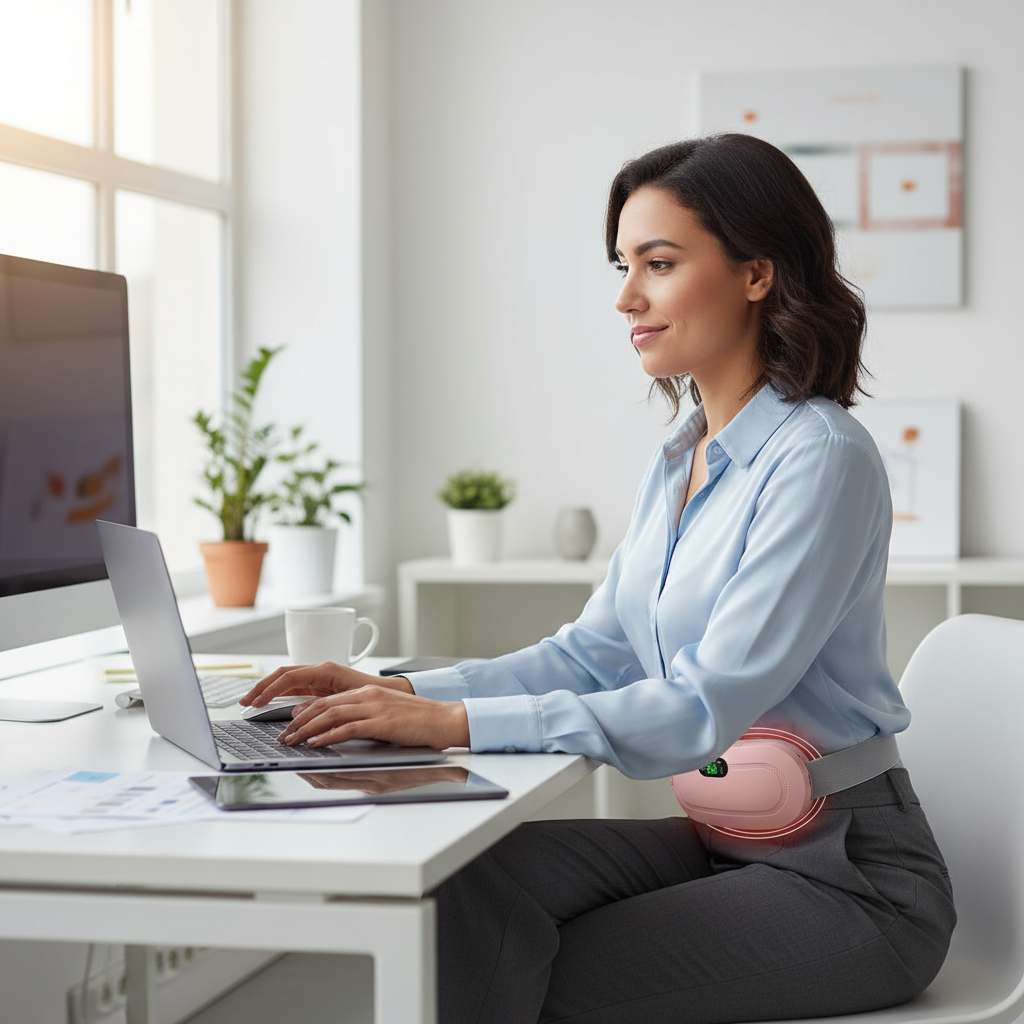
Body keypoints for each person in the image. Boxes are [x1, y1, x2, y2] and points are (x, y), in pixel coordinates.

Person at [241, 133, 956, 1024]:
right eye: (623, 266)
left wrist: (454, 722)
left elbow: (703, 704)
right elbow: (594, 653)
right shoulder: (682, 457)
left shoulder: (821, 457)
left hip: (851, 874)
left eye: (658, 263)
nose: (626, 299)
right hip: (728, 836)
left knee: (540, 972)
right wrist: (396, 690)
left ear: (756, 274)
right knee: (463, 889)